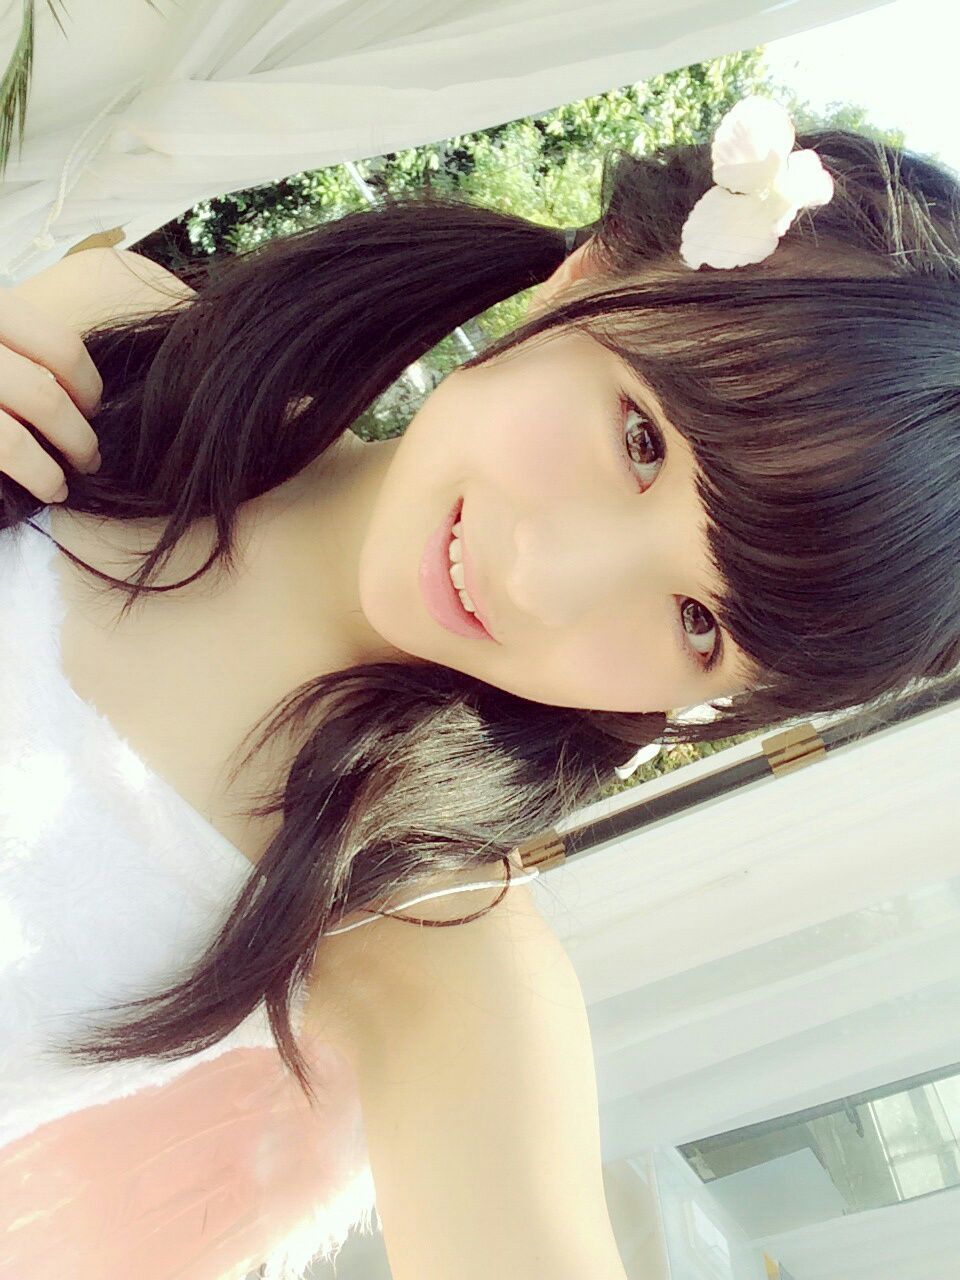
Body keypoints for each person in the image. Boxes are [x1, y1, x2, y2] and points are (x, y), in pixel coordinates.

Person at [0, 96, 957, 1278]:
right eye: (642, 440)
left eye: (698, 622)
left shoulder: (420, 913)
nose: (546, 580)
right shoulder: (113, 341)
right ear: (588, 278)